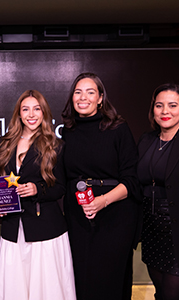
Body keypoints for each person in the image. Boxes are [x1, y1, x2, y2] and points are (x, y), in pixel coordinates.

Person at [61, 72, 141, 300]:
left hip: (115, 216)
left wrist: (102, 201)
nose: (82, 97)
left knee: (109, 280)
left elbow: (132, 180)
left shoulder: (118, 128)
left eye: (90, 92)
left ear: (100, 98)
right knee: (81, 279)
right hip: (79, 216)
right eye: (78, 92)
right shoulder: (68, 130)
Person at [0, 90, 76, 300]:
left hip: (45, 230)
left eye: (37, 109)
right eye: (26, 109)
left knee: (47, 289)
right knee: (15, 287)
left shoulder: (55, 145)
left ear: (44, 112)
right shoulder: (4, 144)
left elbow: (61, 187)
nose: (31, 114)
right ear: (18, 114)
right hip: (13, 229)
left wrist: (37, 189)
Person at [137, 83, 179, 300]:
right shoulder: (147, 140)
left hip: (175, 230)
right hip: (152, 230)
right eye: (159, 105)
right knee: (160, 291)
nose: (165, 112)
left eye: (173, 105)